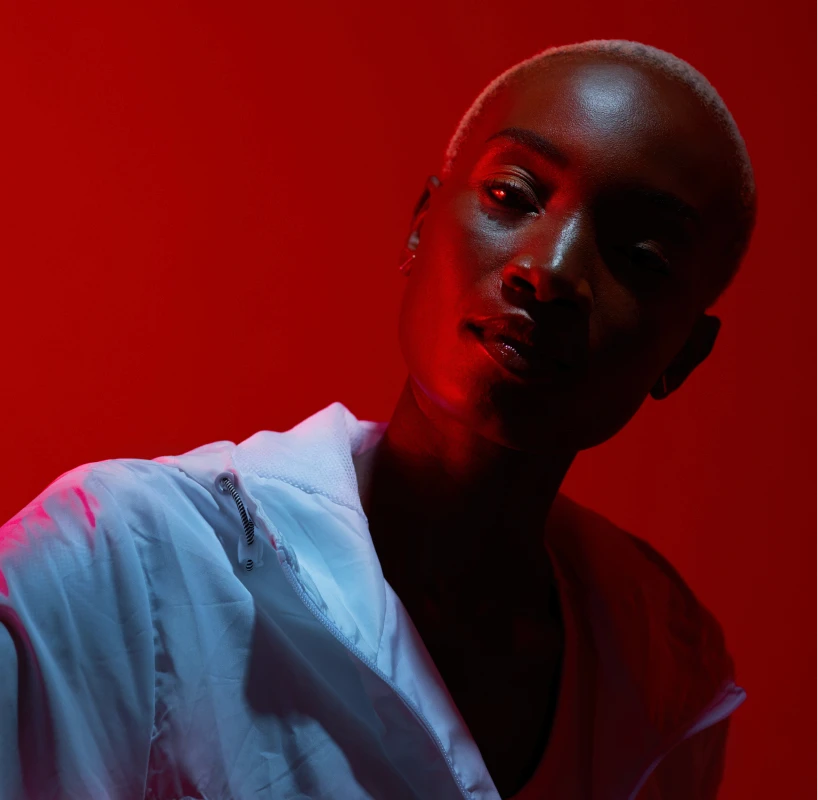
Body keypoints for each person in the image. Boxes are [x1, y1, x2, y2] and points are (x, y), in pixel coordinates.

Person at [0, 38, 755, 800]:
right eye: (512, 195)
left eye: (641, 255)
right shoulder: (122, 560)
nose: (550, 269)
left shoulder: (662, 662)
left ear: (683, 355)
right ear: (420, 225)